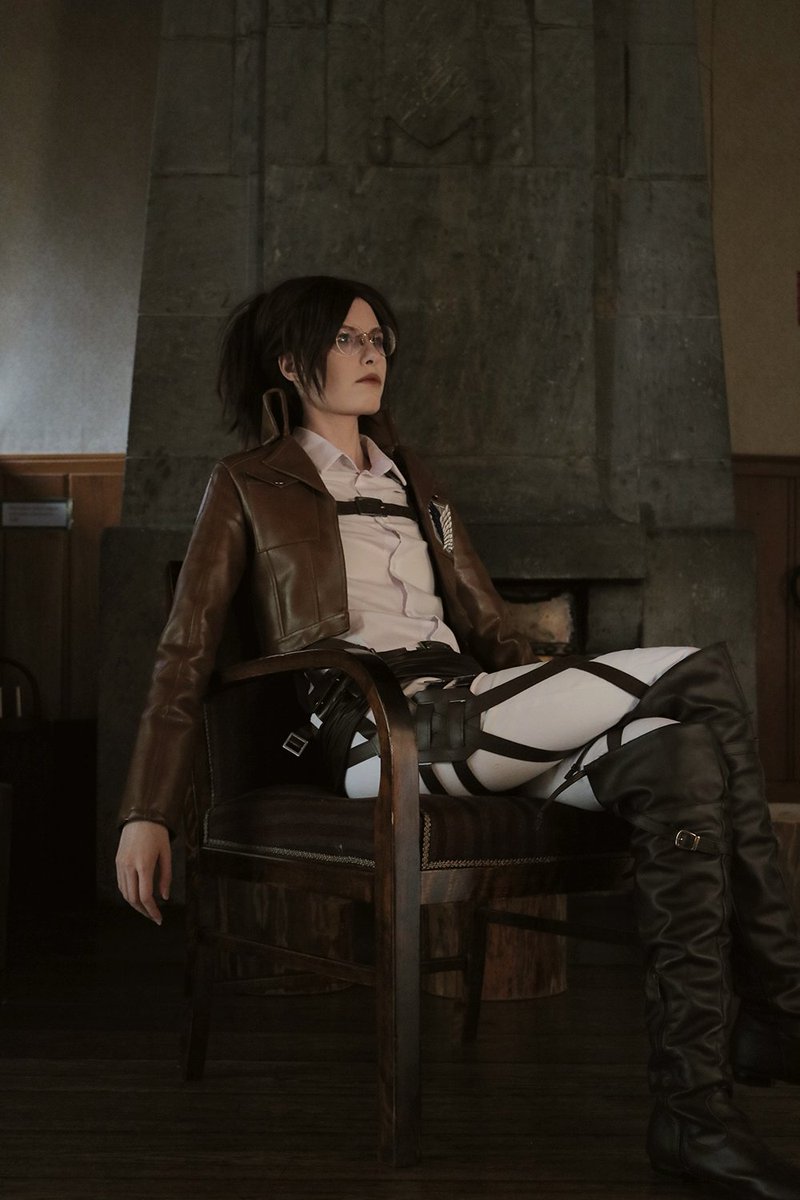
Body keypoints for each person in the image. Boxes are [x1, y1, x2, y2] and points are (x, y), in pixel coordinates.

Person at [116, 275, 800, 1198]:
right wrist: (147, 810)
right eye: (348, 338)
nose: (372, 354)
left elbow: (491, 629)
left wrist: (562, 689)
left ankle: (694, 1112)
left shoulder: (415, 481)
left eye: (379, 339)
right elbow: (185, 651)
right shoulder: (249, 483)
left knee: (678, 753)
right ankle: (780, 1002)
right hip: (376, 727)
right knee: (702, 672)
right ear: (290, 363)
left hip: (465, 707)